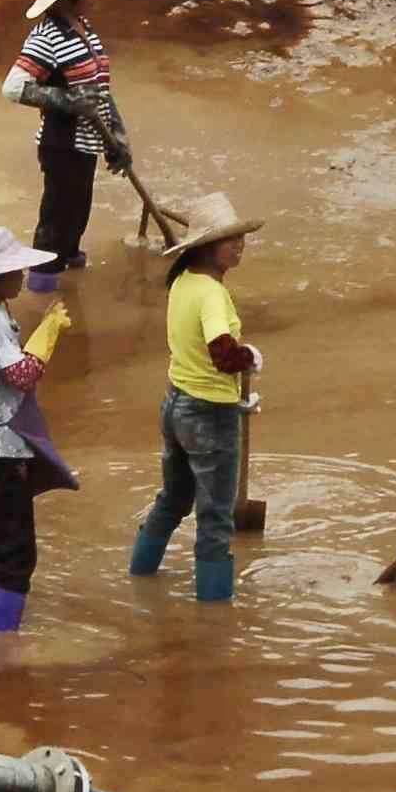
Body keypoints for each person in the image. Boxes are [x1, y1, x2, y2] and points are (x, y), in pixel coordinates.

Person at [130, 191, 258, 603]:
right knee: (216, 518)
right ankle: (215, 614)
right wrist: (250, 357)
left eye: (240, 236)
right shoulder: (212, 294)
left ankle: (140, 573)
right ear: (206, 246)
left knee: (174, 497)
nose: (239, 244)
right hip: (209, 414)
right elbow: (222, 353)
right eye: (230, 239)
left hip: (176, 404)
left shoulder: (182, 283)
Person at [0, 226, 74, 635]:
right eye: (15, 271)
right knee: (17, 556)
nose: (22, 277)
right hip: (2, 450)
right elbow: (23, 375)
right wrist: (48, 334)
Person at [4, 0, 132, 294]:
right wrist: (67, 100)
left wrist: (118, 141)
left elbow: (99, 92)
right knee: (57, 216)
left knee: (78, 212)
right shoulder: (46, 37)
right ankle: (42, 283)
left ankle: (69, 271)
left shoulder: (83, 29)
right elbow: (14, 88)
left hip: (88, 141)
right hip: (62, 144)